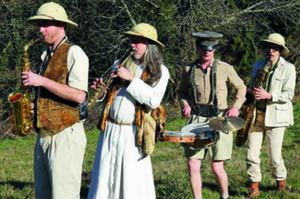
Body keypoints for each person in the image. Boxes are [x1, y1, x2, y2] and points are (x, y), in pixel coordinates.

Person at [87, 23, 170, 199]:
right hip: (110, 130)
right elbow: (112, 94)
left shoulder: (161, 71)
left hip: (134, 134)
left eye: (137, 41)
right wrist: (101, 91)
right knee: (105, 179)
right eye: (132, 41)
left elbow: (153, 100)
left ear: (149, 45)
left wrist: (131, 79)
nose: (132, 45)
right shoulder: (120, 63)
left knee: (132, 182)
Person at [23, 2, 89, 199]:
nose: (41, 30)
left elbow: (79, 95)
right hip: (45, 134)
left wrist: (40, 80)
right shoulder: (46, 55)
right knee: (43, 195)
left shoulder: (74, 52)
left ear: (61, 26)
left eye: (45, 25)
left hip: (65, 135)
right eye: (39, 25)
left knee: (64, 195)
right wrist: (38, 105)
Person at [178, 31, 246, 199]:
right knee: (193, 164)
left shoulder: (225, 68)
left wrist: (236, 107)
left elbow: (242, 88)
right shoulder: (189, 70)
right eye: (203, 48)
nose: (206, 52)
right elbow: (181, 92)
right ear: (197, 48)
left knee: (217, 166)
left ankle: (224, 196)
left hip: (220, 119)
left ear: (215, 49)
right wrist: (185, 105)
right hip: (196, 119)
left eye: (210, 48)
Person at [246, 33, 296, 198]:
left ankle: (281, 184)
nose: (270, 50)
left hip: (276, 116)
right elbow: (251, 87)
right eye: (268, 47)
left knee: (274, 157)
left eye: (274, 47)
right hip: (256, 114)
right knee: (251, 153)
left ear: (280, 50)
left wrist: (270, 96)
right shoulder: (257, 65)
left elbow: (288, 95)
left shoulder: (289, 68)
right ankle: (254, 187)